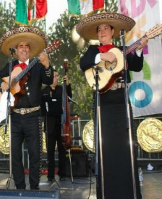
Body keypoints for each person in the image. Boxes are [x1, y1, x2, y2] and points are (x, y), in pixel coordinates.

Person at [77, 12, 148, 199]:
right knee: (106, 147)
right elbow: (83, 63)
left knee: (126, 146)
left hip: (122, 101)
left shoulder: (121, 49)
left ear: (113, 31)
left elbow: (137, 66)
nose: (102, 32)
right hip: (103, 103)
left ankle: (129, 192)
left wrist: (139, 50)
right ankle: (107, 193)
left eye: (106, 28)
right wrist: (102, 55)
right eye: (99, 30)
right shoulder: (94, 51)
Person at [0, 26, 53, 190]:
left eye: (27, 46)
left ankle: (34, 187)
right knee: (15, 155)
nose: (24, 49)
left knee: (35, 154)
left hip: (33, 116)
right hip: (15, 117)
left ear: (30, 50)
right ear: (16, 51)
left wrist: (47, 66)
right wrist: (3, 83)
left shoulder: (38, 65)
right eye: (21, 46)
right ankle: (19, 188)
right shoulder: (10, 66)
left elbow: (49, 79)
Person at [41, 69, 72, 182]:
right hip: (50, 124)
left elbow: (69, 97)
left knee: (62, 150)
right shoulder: (44, 91)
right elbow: (44, 107)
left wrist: (67, 85)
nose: (56, 78)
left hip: (61, 124)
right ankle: (50, 175)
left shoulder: (61, 89)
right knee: (50, 152)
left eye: (57, 76)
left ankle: (62, 173)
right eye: (54, 76)